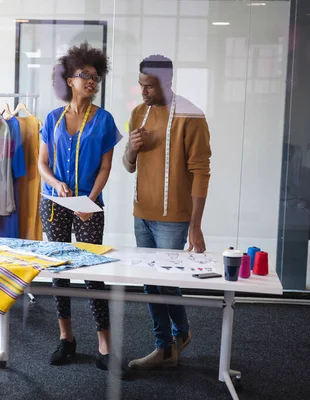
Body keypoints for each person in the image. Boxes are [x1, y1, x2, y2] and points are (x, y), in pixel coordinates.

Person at [38, 42, 122, 372]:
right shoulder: (53, 118)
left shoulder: (104, 120)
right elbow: (42, 163)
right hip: (55, 203)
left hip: (89, 204)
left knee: (93, 273)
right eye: (84, 75)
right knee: (60, 273)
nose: (92, 81)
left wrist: (91, 200)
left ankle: (104, 345)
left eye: (96, 76)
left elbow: (105, 167)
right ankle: (66, 339)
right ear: (69, 80)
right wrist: (55, 183)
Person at [123, 54, 212, 369]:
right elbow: (128, 166)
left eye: (149, 86)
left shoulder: (192, 116)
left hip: (173, 219)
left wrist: (195, 226)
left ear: (166, 82)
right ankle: (165, 345)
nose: (143, 92)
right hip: (141, 215)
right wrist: (132, 149)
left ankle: (180, 334)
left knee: (166, 282)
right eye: (141, 85)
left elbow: (201, 171)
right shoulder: (138, 113)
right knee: (150, 283)